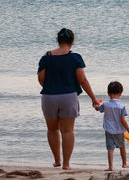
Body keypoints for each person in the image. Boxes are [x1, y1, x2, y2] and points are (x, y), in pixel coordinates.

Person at [37, 28, 99, 170]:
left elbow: (41, 80)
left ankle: (57, 161)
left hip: (49, 97)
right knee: (67, 131)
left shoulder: (46, 57)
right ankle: (66, 164)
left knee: (52, 130)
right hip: (68, 96)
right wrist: (94, 99)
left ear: (58, 40)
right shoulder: (75, 57)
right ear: (72, 42)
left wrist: (53, 86)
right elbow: (82, 80)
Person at [97, 81, 129, 171]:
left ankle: (110, 167)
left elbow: (99, 109)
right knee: (122, 147)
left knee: (110, 148)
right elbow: (123, 120)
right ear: (120, 94)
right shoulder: (121, 106)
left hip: (108, 130)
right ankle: (124, 163)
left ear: (108, 93)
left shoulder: (105, 104)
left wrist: (96, 105)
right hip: (119, 131)